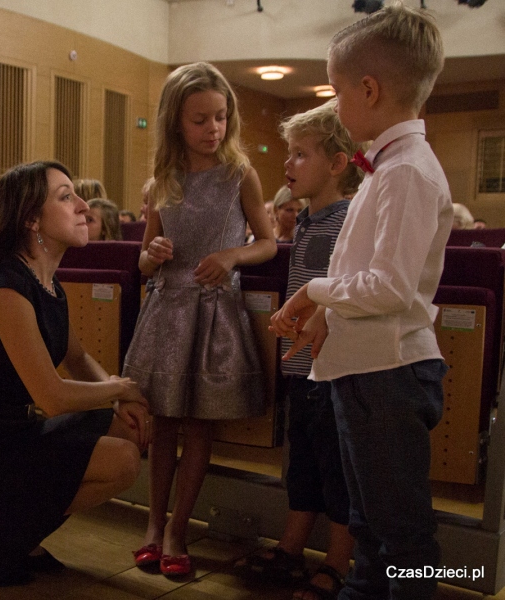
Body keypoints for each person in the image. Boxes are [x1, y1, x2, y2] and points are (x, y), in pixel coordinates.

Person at [270, 5, 451, 599]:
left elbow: (389, 288)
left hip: (389, 374)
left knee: (402, 541)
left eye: (337, 89)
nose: (337, 101)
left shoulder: (406, 173)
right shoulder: (387, 167)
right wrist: (326, 311)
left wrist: (315, 289)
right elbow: (364, 269)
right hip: (365, 368)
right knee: (370, 530)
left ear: (369, 90)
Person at [0, 160, 151, 586]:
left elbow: (79, 360)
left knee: (124, 429)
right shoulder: (7, 290)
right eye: (66, 197)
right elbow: (54, 397)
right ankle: (0, 534)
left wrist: (119, 398)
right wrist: (123, 387)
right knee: (121, 460)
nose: (84, 206)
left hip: (13, 435)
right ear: (30, 219)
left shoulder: (47, 283)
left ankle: (8, 535)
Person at [122, 62, 276, 577]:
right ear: (175, 123)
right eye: (200, 120)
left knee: (201, 423)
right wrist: (155, 253)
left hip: (214, 312)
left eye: (221, 117)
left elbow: (268, 241)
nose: (213, 129)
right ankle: (152, 523)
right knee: (163, 423)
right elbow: (143, 259)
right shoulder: (163, 181)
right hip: (168, 309)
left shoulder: (240, 175)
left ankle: (178, 529)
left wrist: (232, 256)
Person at [237, 99, 361, 600]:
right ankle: (292, 547)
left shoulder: (350, 219)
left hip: (334, 366)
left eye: (301, 155)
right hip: (301, 364)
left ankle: (336, 561)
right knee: (303, 462)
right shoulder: (306, 220)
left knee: (337, 467)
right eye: (288, 154)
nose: (287, 165)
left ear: (337, 164)